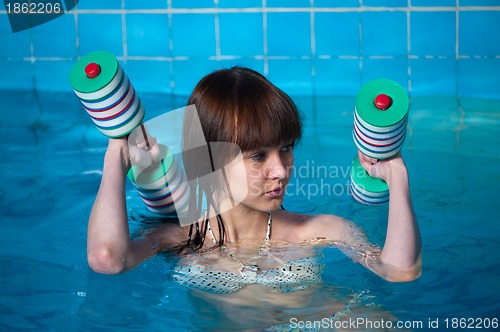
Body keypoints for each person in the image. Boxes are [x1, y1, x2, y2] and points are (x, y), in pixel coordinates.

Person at [87, 67, 422, 291]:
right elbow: (107, 259)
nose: (281, 170)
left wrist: (397, 175)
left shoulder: (321, 230)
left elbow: (400, 271)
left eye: (286, 148)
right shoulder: (179, 239)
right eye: (258, 156)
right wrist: (116, 156)